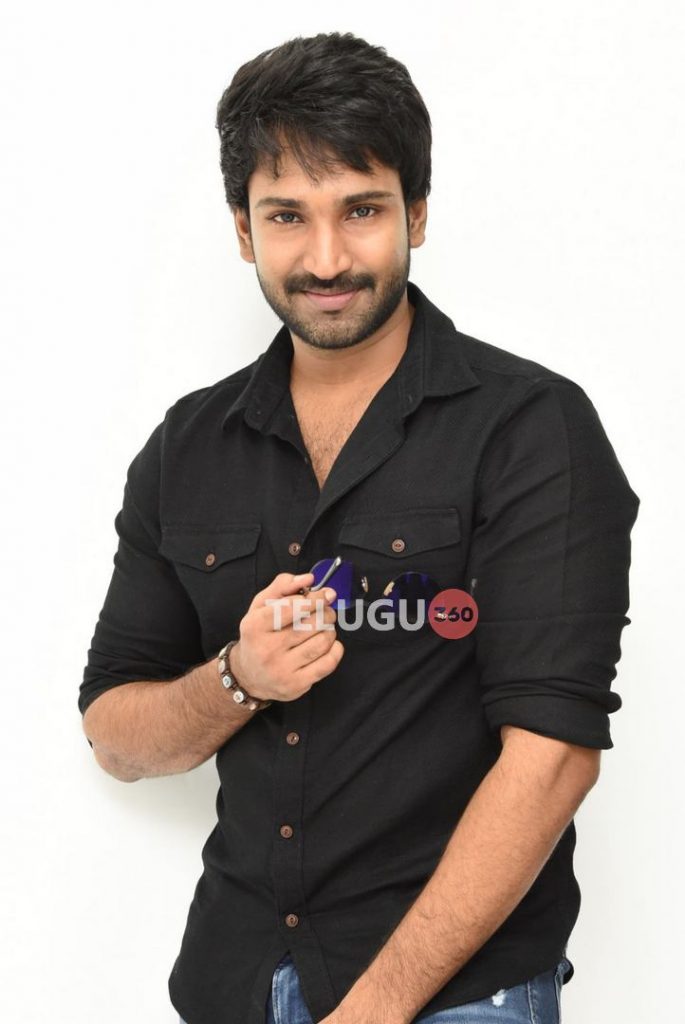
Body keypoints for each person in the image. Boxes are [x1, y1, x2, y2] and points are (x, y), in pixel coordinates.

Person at [79, 31, 639, 1024]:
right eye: (287, 216)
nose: (327, 258)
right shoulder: (186, 445)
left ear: (415, 212)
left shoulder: (529, 428)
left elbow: (552, 755)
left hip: (453, 993)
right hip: (233, 978)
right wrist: (238, 678)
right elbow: (116, 735)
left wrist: (372, 1012)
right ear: (243, 230)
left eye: (362, 210)